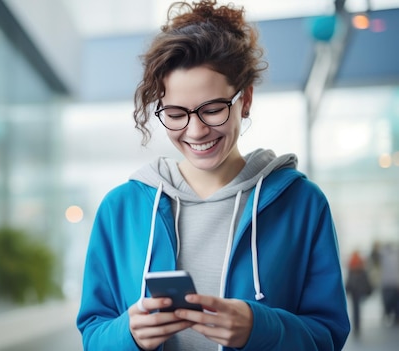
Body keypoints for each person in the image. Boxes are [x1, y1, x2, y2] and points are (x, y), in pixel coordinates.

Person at [76, 1, 350, 350]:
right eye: (176, 113)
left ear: (245, 99)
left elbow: (327, 338)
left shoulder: (302, 204)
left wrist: (260, 328)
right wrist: (127, 336)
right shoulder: (121, 209)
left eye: (213, 109)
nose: (196, 130)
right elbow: (93, 334)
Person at [345, 250, 372, 335]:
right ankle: (357, 326)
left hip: (354, 290)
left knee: (355, 308)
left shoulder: (352, 263)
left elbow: (349, 280)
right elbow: (365, 278)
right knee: (357, 309)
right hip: (358, 290)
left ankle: (357, 326)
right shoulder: (360, 263)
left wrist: (347, 289)